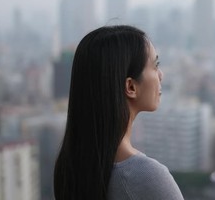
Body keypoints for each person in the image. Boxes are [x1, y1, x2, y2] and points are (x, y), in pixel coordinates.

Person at [53, 25, 184, 200]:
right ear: (130, 87)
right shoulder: (146, 176)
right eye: (155, 65)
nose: (161, 75)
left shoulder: (70, 166)